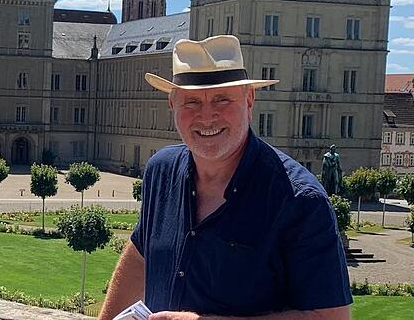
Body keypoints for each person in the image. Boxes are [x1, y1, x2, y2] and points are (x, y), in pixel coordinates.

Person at [98, 35, 351, 320]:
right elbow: (140, 256)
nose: (207, 116)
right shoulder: (161, 169)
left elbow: (331, 317)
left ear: (249, 99)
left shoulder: (300, 199)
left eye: (222, 99)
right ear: (172, 104)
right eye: (191, 102)